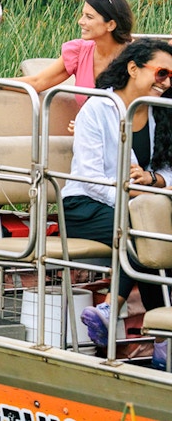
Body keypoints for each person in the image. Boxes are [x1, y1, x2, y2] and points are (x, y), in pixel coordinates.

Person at [61, 38, 172, 369]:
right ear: (133, 68)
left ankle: (161, 338)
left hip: (135, 208)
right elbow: (91, 177)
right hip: (85, 204)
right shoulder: (97, 108)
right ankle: (120, 313)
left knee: (152, 232)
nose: (166, 82)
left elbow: (167, 171)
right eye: (162, 72)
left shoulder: (160, 113)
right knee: (145, 231)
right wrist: (132, 197)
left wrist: (153, 182)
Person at [0, 0, 134, 109]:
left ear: (111, 25)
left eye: (89, 17)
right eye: (82, 14)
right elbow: (38, 81)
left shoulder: (136, 57)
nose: (80, 21)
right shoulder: (79, 51)